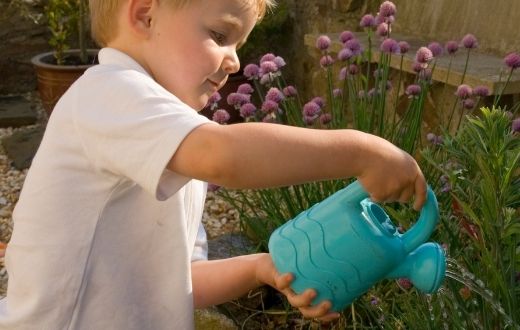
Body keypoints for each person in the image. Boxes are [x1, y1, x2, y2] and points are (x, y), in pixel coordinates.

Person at [0, 0, 428, 328]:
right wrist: (360, 151)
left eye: (239, 44)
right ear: (146, 15)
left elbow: (183, 279)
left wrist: (262, 267)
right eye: (221, 35)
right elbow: (225, 155)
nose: (235, 61)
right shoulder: (108, 92)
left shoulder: (170, 144)